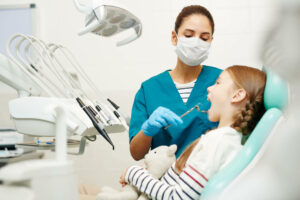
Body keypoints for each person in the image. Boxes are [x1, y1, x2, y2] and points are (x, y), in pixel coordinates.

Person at [120, 65, 266, 200]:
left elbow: (177, 197)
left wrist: (133, 173)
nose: (209, 88)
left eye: (218, 83)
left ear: (237, 95)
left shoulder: (215, 141)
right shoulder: (231, 142)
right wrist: (149, 172)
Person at [129, 5, 222, 160]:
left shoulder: (222, 81)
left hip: (209, 177)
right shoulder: (149, 89)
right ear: (174, 37)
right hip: (165, 180)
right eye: (188, 35)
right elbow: (136, 154)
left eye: (204, 38)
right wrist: (147, 130)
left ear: (211, 41)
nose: (196, 42)